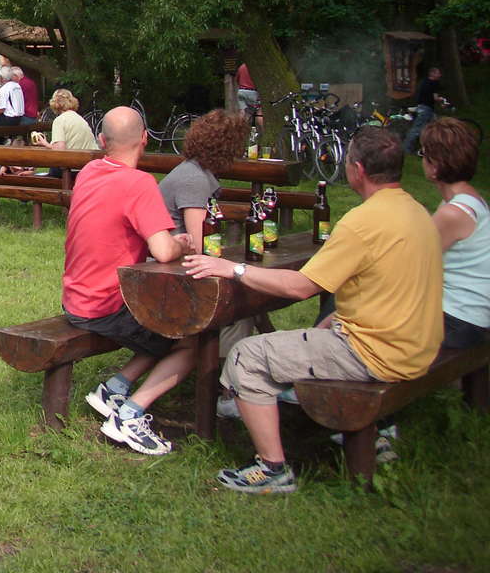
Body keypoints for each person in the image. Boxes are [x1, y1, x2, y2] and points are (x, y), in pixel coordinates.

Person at [183, 126, 442, 493]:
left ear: (357, 170)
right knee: (319, 327)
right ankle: (293, 400)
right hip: (418, 347)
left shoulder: (362, 222)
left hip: (378, 355)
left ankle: (273, 468)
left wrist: (234, 269)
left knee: (246, 355)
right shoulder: (417, 211)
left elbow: (301, 286)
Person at [63, 106, 196, 456]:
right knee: (190, 337)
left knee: (164, 325)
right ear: (145, 139)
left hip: (76, 296)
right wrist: (182, 243)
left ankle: (115, 388)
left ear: (102, 141)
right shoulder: (139, 184)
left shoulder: (89, 171)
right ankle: (130, 415)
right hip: (105, 305)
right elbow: (163, 251)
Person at [421, 118, 489, 348]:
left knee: (351, 301)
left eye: (423, 154)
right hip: (469, 317)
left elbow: (412, 263)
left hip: (457, 321)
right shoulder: (471, 200)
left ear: (435, 166)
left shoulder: (452, 213)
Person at [158, 109, 248, 248]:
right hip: (169, 263)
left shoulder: (192, 169)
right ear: (229, 148)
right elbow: (202, 245)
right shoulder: (195, 180)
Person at [33, 88, 98, 153]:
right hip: (90, 159)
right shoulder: (79, 118)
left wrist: (45, 143)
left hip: (75, 160)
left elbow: (59, 149)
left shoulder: (60, 121)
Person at [404, 65, 444, 154]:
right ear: (432, 74)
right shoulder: (434, 83)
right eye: (438, 73)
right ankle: (406, 149)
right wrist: (442, 100)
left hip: (423, 107)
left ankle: (431, 148)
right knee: (417, 129)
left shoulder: (424, 81)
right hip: (426, 109)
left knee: (434, 128)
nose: (440, 75)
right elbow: (435, 98)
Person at [0, 65, 25, 132]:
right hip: (19, 118)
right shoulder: (17, 86)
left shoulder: (4, 88)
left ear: (2, 77)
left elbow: (1, 109)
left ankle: (2, 141)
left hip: (9, 119)